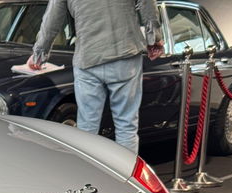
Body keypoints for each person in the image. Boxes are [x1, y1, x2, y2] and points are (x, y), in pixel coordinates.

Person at [27, 0, 164, 153]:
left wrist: (39, 54)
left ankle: (87, 175)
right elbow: (147, 4)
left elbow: (52, 18)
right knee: (126, 126)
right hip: (126, 55)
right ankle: (125, 175)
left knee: (87, 128)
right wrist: (154, 38)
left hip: (88, 58)